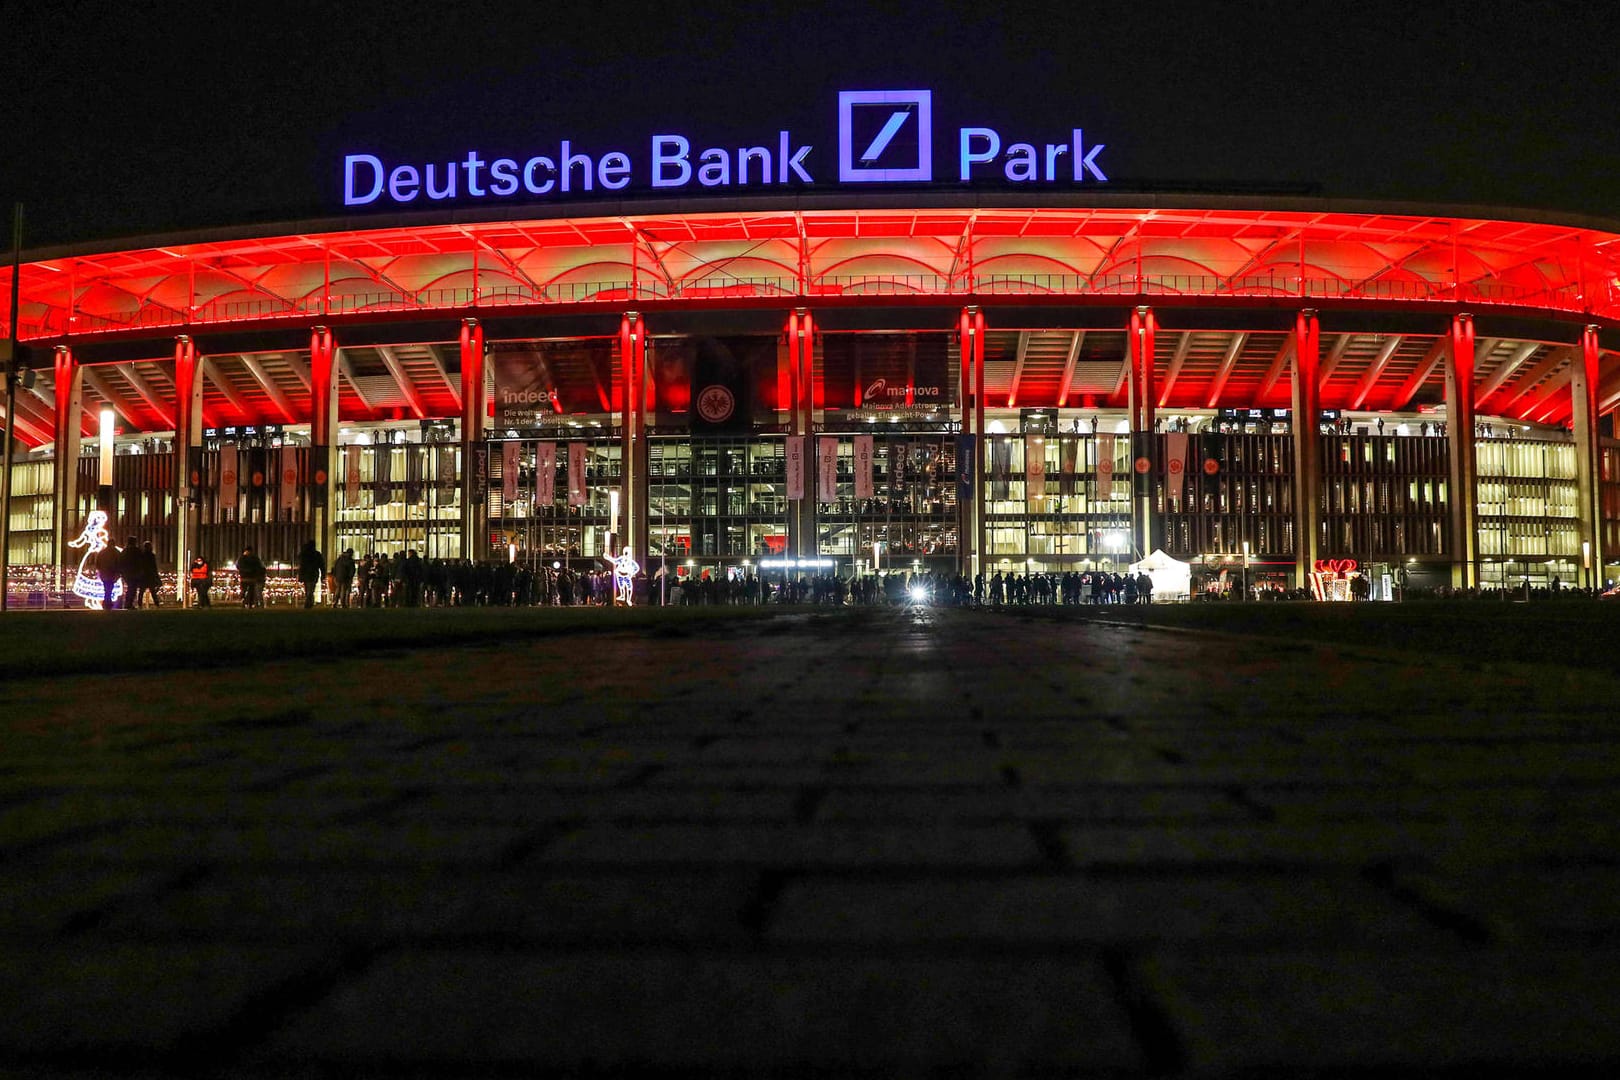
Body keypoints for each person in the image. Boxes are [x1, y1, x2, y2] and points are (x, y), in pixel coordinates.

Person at [297, 539, 325, 608]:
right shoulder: (317, 554)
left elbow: (301, 566)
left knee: (308, 589)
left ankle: (308, 602)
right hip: (314, 574)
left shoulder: (304, 554)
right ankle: (309, 603)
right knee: (311, 589)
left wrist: (300, 575)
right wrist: (323, 575)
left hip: (306, 574)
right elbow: (322, 565)